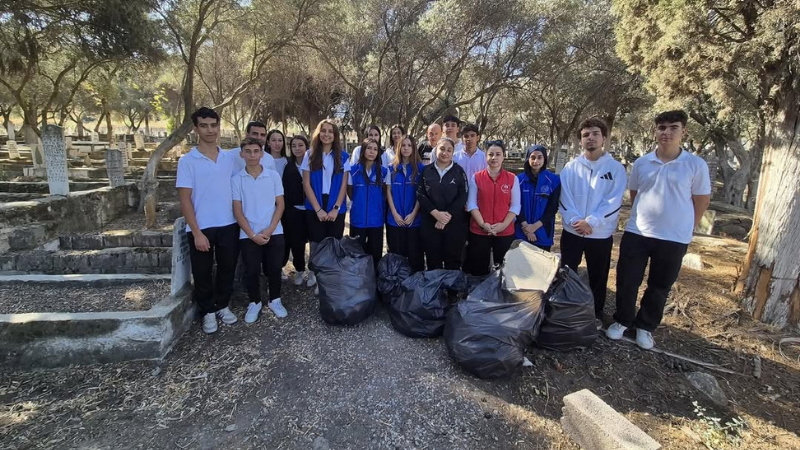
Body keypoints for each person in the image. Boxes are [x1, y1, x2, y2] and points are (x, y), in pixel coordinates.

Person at [607, 110, 711, 349]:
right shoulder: (643, 163)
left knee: (659, 285)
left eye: (673, 127)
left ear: (683, 131)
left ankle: (645, 326)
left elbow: (701, 200)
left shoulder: (695, 165)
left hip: (673, 238)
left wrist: (688, 225)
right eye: (662, 128)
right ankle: (622, 320)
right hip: (638, 233)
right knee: (627, 279)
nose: (666, 132)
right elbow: (635, 195)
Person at [176, 107, 240, 334]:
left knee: (227, 268)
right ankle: (208, 312)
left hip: (229, 225)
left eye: (213, 125)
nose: (209, 130)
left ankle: (222, 305)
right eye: (204, 125)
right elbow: (185, 200)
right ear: (195, 129)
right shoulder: (187, 161)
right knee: (202, 272)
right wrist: (196, 232)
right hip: (201, 226)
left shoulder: (229, 158)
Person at [558, 117, 627, 329]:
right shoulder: (571, 168)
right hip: (572, 231)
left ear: (604, 138)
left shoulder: (615, 169)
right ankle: (565, 308)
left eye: (595, 134)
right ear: (580, 140)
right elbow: (564, 197)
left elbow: (614, 200)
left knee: (598, 274)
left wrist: (592, 222)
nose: (590, 138)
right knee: (567, 271)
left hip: (600, 234)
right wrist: (575, 221)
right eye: (586, 135)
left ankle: (595, 313)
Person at [232, 138, 287, 322]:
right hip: (248, 234)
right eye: (248, 151)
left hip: (274, 231)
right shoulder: (237, 179)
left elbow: (280, 204)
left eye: (256, 151)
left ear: (262, 153)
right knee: (252, 270)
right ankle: (254, 302)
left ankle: (275, 300)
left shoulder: (273, 176)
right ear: (242, 154)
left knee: (274, 268)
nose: (252, 155)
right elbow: (237, 210)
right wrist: (252, 234)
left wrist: (270, 229)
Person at [301, 119, 350, 294]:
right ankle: (315, 274)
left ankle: (329, 278)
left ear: (335, 135)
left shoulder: (343, 156)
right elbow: (306, 184)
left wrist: (336, 208)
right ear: (318, 133)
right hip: (315, 204)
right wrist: (318, 210)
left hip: (336, 205)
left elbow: (344, 185)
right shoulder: (310, 154)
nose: (327, 134)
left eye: (330, 131)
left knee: (333, 244)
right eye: (324, 131)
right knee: (316, 243)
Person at [466, 141, 520, 276]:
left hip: (504, 231)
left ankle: (501, 296)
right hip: (479, 231)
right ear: (486, 157)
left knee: (504, 270)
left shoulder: (512, 178)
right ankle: (478, 295)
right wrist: (483, 224)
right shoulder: (477, 177)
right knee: (478, 269)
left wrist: (503, 225)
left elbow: (515, 206)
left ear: (503, 156)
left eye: (498, 154)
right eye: (490, 154)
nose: (494, 158)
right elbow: (472, 204)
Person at [417, 137, 468, 270]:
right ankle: (435, 290)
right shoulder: (426, 171)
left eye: (449, 150)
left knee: (453, 261)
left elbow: (463, 195)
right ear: (436, 150)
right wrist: (435, 213)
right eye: (442, 149)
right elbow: (421, 194)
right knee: (433, 261)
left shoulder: (459, 172)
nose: (445, 153)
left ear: (453, 153)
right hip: (430, 223)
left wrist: (446, 216)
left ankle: (452, 291)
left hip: (454, 224)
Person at [386, 134, 425, 272]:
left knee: (415, 256)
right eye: (403, 145)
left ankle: (415, 286)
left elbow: (421, 194)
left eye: (409, 145)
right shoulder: (391, 168)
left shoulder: (421, 169)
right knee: (396, 255)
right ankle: (397, 287)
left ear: (414, 148)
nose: (406, 148)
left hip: (414, 220)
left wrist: (414, 214)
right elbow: (388, 192)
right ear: (399, 147)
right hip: (395, 220)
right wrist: (395, 214)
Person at [347, 138, 388, 267]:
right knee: (356, 254)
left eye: (375, 149)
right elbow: (350, 192)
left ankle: (374, 281)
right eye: (369, 148)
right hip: (357, 219)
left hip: (376, 220)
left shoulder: (384, 171)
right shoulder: (353, 171)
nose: (372, 152)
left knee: (375, 254)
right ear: (363, 150)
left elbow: (385, 193)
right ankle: (358, 283)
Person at [283, 135, 315, 288]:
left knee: (314, 242)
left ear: (306, 147)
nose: (297, 148)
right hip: (294, 211)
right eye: (294, 145)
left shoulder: (314, 164)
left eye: (300, 145)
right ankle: (300, 270)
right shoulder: (288, 167)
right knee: (297, 243)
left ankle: (314, 272)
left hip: (312, 209)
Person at [516, 145, 561, 251]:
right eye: (532, 157)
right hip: (522, 231)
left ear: (544, 158)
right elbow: (516, 205)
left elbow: (553, 208)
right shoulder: (518, 180)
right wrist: (527, 228)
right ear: (528, 159)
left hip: (543, 232)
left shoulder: (554, 181)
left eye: (540, 157)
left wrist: (534, 227)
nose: (536, 161)